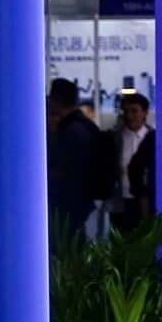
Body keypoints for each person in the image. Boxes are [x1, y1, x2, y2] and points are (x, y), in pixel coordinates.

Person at [47, 80, 114, 244]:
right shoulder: (85, 126)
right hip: (82, 203)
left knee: (68, 246)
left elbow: (66, 169)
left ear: (56, 100)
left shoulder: (71, 131)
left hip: (70, 204)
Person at [109, 89, 157, 233]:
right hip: (120, 201)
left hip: (147, 202)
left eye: (134, 111)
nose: (129, 116)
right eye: (125, 111)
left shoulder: (154, 139)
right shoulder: (113, 139)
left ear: (145, 112)